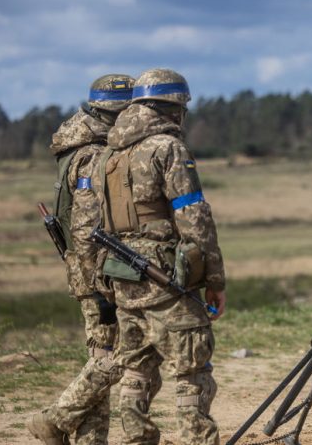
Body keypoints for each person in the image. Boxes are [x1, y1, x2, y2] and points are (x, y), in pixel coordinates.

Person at [91, 68, 226, 444]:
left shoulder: (109, 155)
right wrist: (214, 280)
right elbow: (194, 218)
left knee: (136, 371)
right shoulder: (168, 148)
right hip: (165, 278)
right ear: (173, 108)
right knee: (192, 369)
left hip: (123, 278)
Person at [27, 74, 163, 445]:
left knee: (102, 354)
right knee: (122, 352)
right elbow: (87, 231)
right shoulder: (91, 157)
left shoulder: (86, 145)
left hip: (100, 272)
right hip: (100, 275)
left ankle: (84, 438)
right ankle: (55, 420)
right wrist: (102, 289)